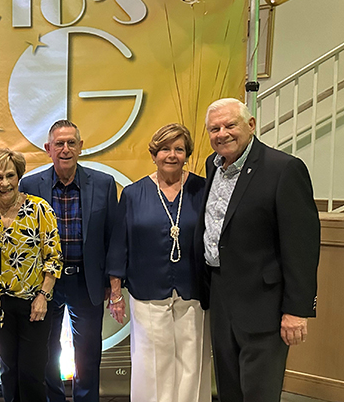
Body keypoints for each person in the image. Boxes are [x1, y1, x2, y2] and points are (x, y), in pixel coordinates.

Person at [197, 98, 320, 402]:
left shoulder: (284, 169)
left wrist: (297, 310)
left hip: (264, 306)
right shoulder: (212, 169)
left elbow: (301, 245)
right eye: (214, 128)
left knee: (259, 393)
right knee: (230, 390)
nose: (222, 133)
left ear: (250, 126)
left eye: (230, 125)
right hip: (222, 297)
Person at [106, 123, 211, 402]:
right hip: (147, 291)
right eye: (165, 148)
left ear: (187, 154)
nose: (172, 155)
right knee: (152, 363)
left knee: (192, 362)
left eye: (179, 149)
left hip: (193, 291)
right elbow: (119, 246)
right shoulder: (133, 193)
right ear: (154, 154)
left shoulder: (202, 189)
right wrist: (115, 294)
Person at [18, 120, 118, 402]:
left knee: (87, 354)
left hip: (86, 281)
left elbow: (113, 235)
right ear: (48, 149)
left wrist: (113, 282)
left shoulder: (103, 184)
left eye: (71, 143)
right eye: (59, 144)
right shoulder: (30, 185)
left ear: (80, 147)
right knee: (46, 353)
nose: (65, 149)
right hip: (44, 284)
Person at [0, 148, 63, 402]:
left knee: (32, 372)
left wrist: (43, 296)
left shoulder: (39, 209)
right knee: (8, 370)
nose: (5, 183)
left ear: (19, 176)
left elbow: (54, 258)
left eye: (10, 176)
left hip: (32, 303)